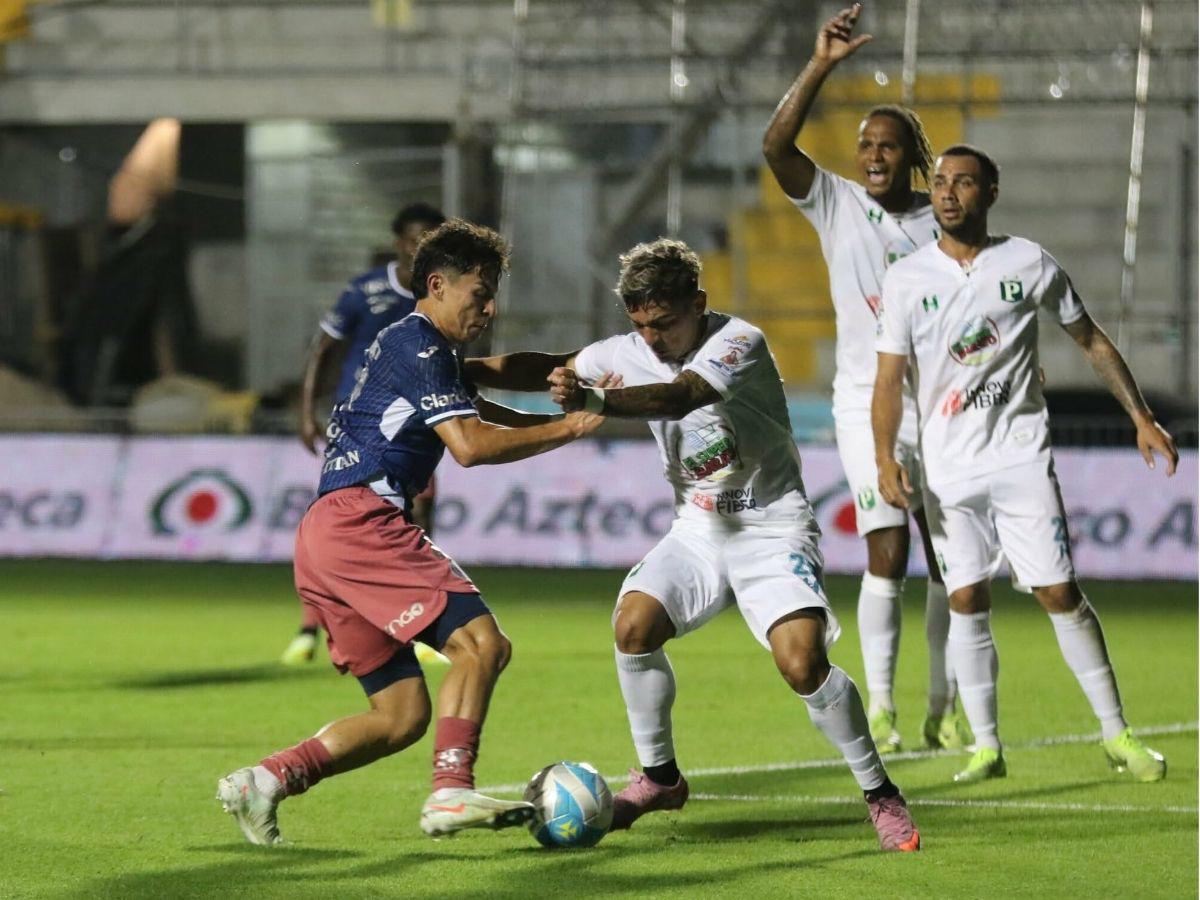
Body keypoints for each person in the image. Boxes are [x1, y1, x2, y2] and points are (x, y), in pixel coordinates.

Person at [469, 239, 920, 851]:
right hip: (699, 531)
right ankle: (659, 779)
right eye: (640, 326)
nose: (651, 339)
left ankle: (880, 792)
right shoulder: (623, 353)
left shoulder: (740, 342)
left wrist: (593, 398)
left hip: (771, 527)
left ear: (698, 304)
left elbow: (678, 396)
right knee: (634, 625)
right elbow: (545, 365)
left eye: (664, 323)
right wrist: (463, 370)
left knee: (802, 664)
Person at [217, 220, 608, 844]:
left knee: (401, 716)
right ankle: (450, 793)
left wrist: (569, 375)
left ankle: (264, 780)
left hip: (326, 533)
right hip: (361, 524)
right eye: (479, 294)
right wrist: (567, 428)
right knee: (482, 646)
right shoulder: (421, 343)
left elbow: (490, 389)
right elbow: (471, 446)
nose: (490, 307)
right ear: (437, 285)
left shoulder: (417, 347)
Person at [872, 144, 1177, 783]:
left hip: (1020, 460)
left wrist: (1141, 416)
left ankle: (1117, 734)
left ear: (991, 192)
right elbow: (888, 379)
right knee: (965, 598)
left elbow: (1090, 339)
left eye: (964, 183)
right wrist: (883, 457)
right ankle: (986, 747)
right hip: (948, 471)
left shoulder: (1028, 262)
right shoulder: (906, 279)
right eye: (942, 183)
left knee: (1060, 592)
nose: (949, 192)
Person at [762, 3, 968, 754]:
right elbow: (775, 142)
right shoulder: (835, 201)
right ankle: (880, 706)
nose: (873, 155)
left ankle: (942, 707)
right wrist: (821, 62)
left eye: (888, 145)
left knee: (954, 562)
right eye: (864, 145)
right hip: (863, 404)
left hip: (942, 408)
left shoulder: (944, 230)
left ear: (914, 156)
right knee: (888, 549)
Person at [283, 201, 446, 666]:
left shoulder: (441, 294)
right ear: (398, 242)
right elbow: (323, 347)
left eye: (430, 240)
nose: (421, 248)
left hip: (417, 421)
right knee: (338, 517)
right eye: (415, 240)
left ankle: (416, 627)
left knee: (418, 516)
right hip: (359, 422)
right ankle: (309, 629)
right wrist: (306, 411)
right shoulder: (365, 290)